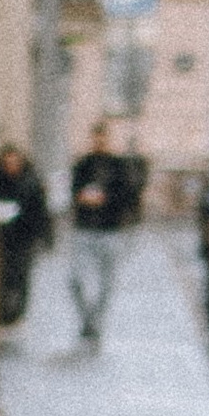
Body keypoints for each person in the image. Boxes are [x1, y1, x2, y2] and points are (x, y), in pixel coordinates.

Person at [66, 122, 135, 346]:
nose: (99, 142)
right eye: (96, 138)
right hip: (84, 228)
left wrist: (105, 199)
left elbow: (127, 196)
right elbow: (73, 190)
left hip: (109, 230)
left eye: (103, 138)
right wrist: (82, 198)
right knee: (75, 279)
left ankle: (95, 325)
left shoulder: (118, 166)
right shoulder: (83, 164)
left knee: (106, 282)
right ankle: (88, 321)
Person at [0, 141, 51, 327]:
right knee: (5, 275)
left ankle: (16, 313)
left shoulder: (31, 180)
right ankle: (4, 314)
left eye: (14, 162)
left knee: (21, 274)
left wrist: (45, 236)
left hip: (25, 236)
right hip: (5, 235)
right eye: (7, 163)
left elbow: (41, 211)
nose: (11, 166)